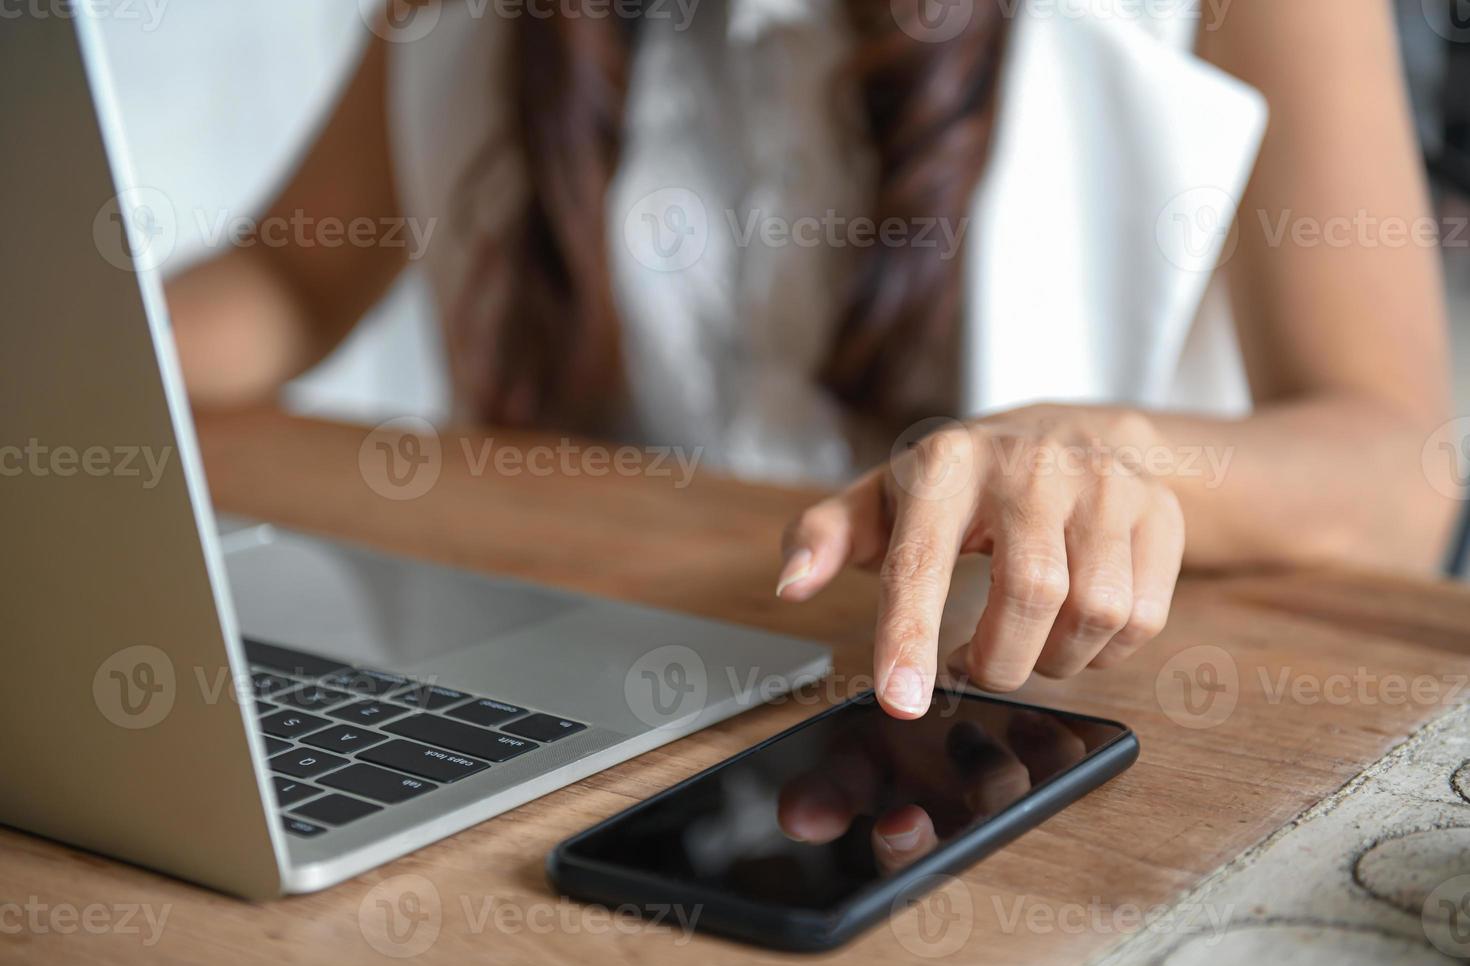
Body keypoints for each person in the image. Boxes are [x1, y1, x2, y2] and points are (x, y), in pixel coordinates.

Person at [167, 0, 1457, 724]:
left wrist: (1113, 453)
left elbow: (1405, 464)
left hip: (1046, 733)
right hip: (593, 703)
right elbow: (291, 279)